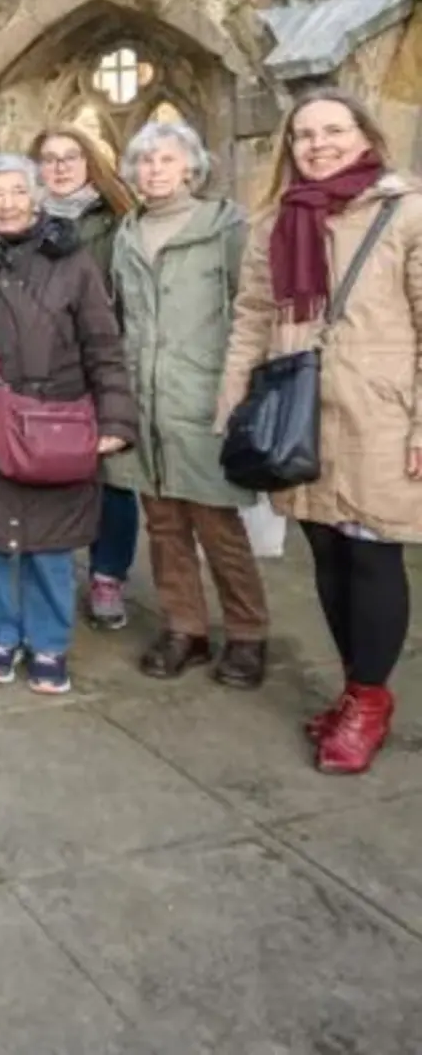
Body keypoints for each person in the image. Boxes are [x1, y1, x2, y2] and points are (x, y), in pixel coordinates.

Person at [219, 88, 422, 773]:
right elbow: (251, 316)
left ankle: (369, 702)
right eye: (303, 136)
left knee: (371, 558)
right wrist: (234, 405)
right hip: (297, 412)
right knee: (328, 558)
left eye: (333, 131)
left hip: (380, 415)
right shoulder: (277, 219)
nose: (318, 144)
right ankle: (353, 683)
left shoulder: (406, 210)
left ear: (365, 135)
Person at [0, 154, 137, 694]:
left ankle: (49, 643)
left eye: (17, 191)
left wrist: (116, 417)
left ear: (35, 197)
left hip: (56, 426)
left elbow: (103, 346)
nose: (7, 203)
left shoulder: (74, 263)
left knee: (50, 547)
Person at [110, 119, 268, 688]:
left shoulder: (225, 227)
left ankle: (248, 634)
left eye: (166, 160)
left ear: (191, 168)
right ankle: (186, 628)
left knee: (217, 523)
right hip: (144, 398)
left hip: (203, 397)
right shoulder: (127, 233)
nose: (154, 171)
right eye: (146, 162)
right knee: (163, 523)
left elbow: (252, 309)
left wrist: (239, 388)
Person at [31, 123, 140, 631]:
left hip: (100, 362)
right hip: (39, 370)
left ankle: (107, 574)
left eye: (70, 157)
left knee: (113, 477)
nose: (59, 167)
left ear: (89, 162)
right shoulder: (19, 219)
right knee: (39, 468)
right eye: (49, 158)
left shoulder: (118, 220)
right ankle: (42, 568)